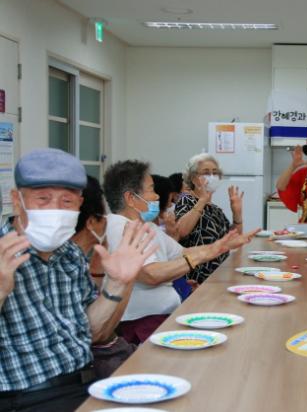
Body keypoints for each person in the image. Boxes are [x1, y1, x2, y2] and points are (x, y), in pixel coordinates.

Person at [0, 149, 156, 411]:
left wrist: (117, 285)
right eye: (43, 199)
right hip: (26, 398)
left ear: (79, 204)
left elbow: (91, 332)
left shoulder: (71, 254)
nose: (55, 210)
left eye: (67, 201)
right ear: (17, 200)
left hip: (85, 382)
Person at [103, 160, 255, 344]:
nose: (156, 196)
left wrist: (221, 246)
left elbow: (182, 252)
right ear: (130, 198)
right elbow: (150, 274)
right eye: (151, 189)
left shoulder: (147, 226)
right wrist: (204, 255)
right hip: (142, 324)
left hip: (166, 314)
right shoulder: (119, 227)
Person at [71, 175, 136, 379]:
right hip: (98, 363)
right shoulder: (70, 260)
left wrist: (98, 269)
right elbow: (101, 332)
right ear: (92, 222)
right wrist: (126, 280)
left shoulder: (80, 258)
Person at [174, 153, 252, 284]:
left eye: (215, 173)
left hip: (219, 274)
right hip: (196, 278)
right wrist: (202, 200)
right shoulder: (186, 200)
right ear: (193, 178)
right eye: (206, 172)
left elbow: (234, 240)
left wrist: (237, 213)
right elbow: (181, 231)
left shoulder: (215, 209)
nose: (211, 176)